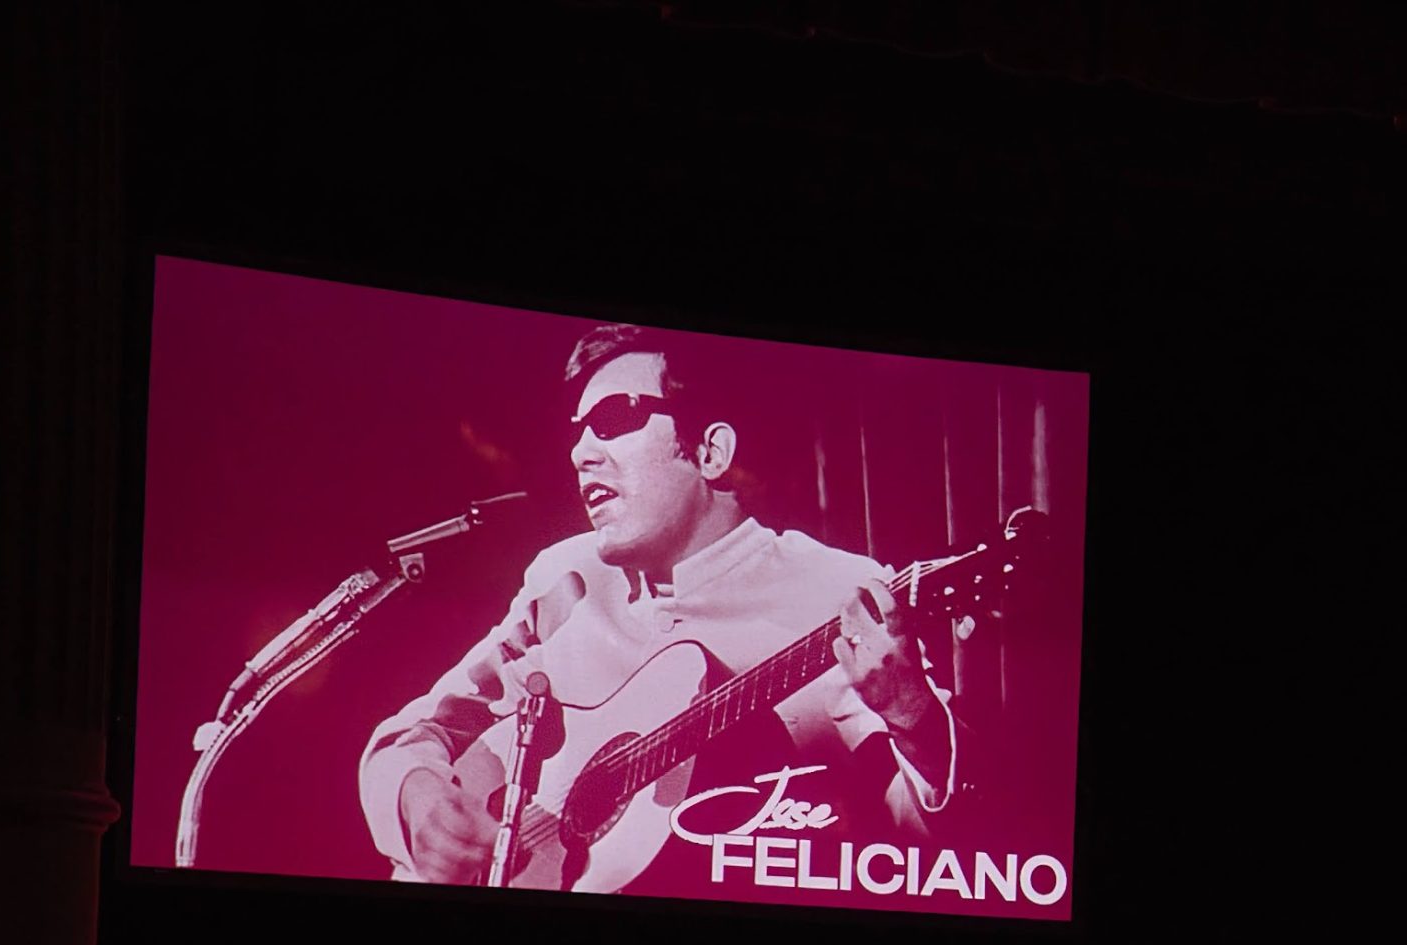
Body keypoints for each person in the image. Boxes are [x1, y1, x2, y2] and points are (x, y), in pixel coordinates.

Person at [360, 323, 963, 889]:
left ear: (710, 452)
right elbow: (416, 731)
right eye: (577, 430)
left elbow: (936, 847)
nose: (580, 454)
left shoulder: (837, 593)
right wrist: (418, 796)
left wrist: (915, 720)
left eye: (615, 418)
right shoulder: (565, 580)